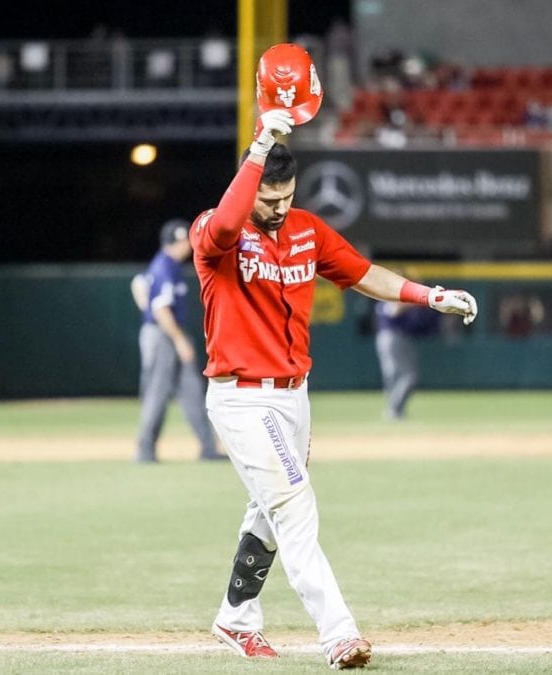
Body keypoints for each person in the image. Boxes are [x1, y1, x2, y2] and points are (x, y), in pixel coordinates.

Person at [191, 108, 477, 670]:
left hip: (294, 397)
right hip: (243, 396)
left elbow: (364, 273)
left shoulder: (305, 229)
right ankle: (339, 633)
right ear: (248, 185)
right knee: (294, 506)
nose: (278, 209)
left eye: (286, 198)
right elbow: (226, 225)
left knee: (267, 512)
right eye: (268, 199)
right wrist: (257, 148)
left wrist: (429, 296)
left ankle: (235, 617)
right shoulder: (215, 231)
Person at [132, 219, 225, 463]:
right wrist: (180, 340)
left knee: (192, 390)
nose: (190, 245)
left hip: (169, 332)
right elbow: (161, 309)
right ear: (179, 241)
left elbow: (140, 284)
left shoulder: (167, 266)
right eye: (187, 241)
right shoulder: (164, 266)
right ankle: (145, 450)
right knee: (157, 392)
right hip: (162, 334)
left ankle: (208, 447)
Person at [374, 298, 441, 420]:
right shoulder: (386, 300)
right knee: (404, 375)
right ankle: (394, 409)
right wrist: (412, 300)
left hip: (399, 338)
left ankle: (395, 410)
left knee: (395, 375)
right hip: (393, 337)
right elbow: (394, 310)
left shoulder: (392, 300)